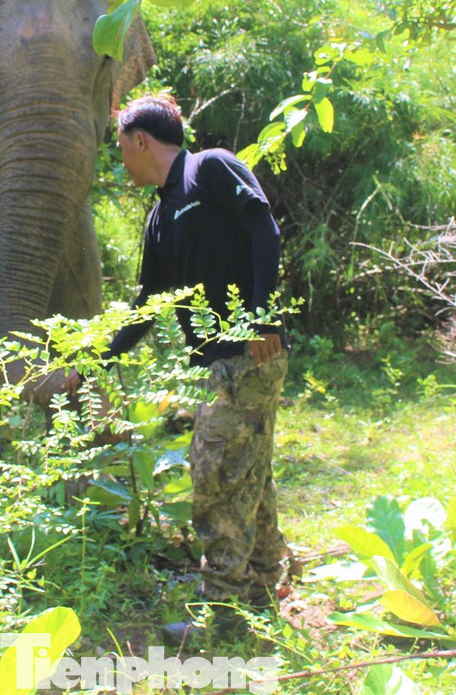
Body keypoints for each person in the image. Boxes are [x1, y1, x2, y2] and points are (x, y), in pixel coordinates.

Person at [73, 93, 289, 644]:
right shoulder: (160, 217)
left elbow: (264, 230)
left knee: (214, 474)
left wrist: (264, 320)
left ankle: (222, 618)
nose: (121, 160)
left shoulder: (208, 168)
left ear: (140, 141)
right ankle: (262, 586)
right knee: (248, 470)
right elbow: (148, 302)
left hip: (250, 350)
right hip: (220, 362)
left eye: (122, 148)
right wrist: (94, 359)